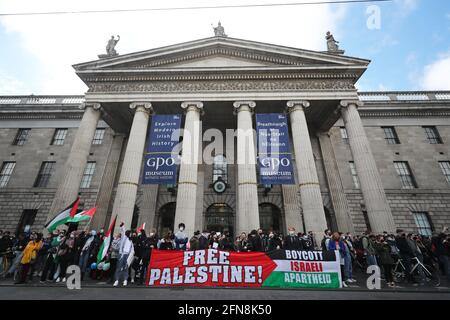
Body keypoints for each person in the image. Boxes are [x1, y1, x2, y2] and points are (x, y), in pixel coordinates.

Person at [113, 222, 133, 287]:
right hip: (122, 254)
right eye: (130, 233)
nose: (131, 235)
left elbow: (132, 249)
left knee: (126, 268)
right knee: (119, 267)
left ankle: (125, 280)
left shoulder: (131, 241)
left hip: (127, 255)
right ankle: (116, 280)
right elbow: (123, 231)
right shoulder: (124, 237)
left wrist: (131, 255)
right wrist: (122, 226)